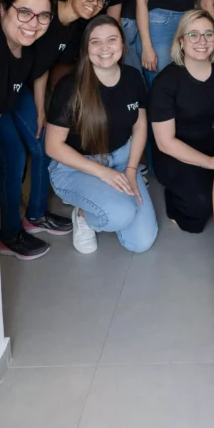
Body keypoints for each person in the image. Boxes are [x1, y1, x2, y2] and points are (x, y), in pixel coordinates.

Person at [46, 15, 158, 254]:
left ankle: (109, 202)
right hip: (77, 167)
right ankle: (84, 214)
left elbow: (139, 126)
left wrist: (130, 169)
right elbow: (53, 146)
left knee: (141, 242)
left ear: (122, 44)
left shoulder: (132, 77)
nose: (105, 48)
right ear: (86, 48)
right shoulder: (70, 86)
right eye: (95, 41)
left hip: (122, 160)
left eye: (112, 39)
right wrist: (103, 173)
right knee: (120, 214)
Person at [0, 0, 72, 260]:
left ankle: (35, 216)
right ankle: (9, 234)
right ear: (3, 10)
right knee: (14, 157)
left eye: (43, 16)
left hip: (7, 99)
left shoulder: (28, 46)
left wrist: (40, 110)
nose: (33, 23)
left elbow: (37, 73)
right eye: (24, 12)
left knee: (41, 141)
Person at [149, 10, 214, 233]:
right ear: (181, 41)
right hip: (179, 154)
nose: (202, 41)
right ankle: (174, 195)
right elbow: (165, 143)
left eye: (209, 34)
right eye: (193, 35)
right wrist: (210, 163)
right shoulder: (166, 83)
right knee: (200, 208)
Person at [31, 0, 109, 129]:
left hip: (26, 87)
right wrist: (39, 111)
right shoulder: (44, 12)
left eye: (101, 0)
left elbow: (42, 67)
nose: (95, 2)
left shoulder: (73, 28)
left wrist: (40, 111)